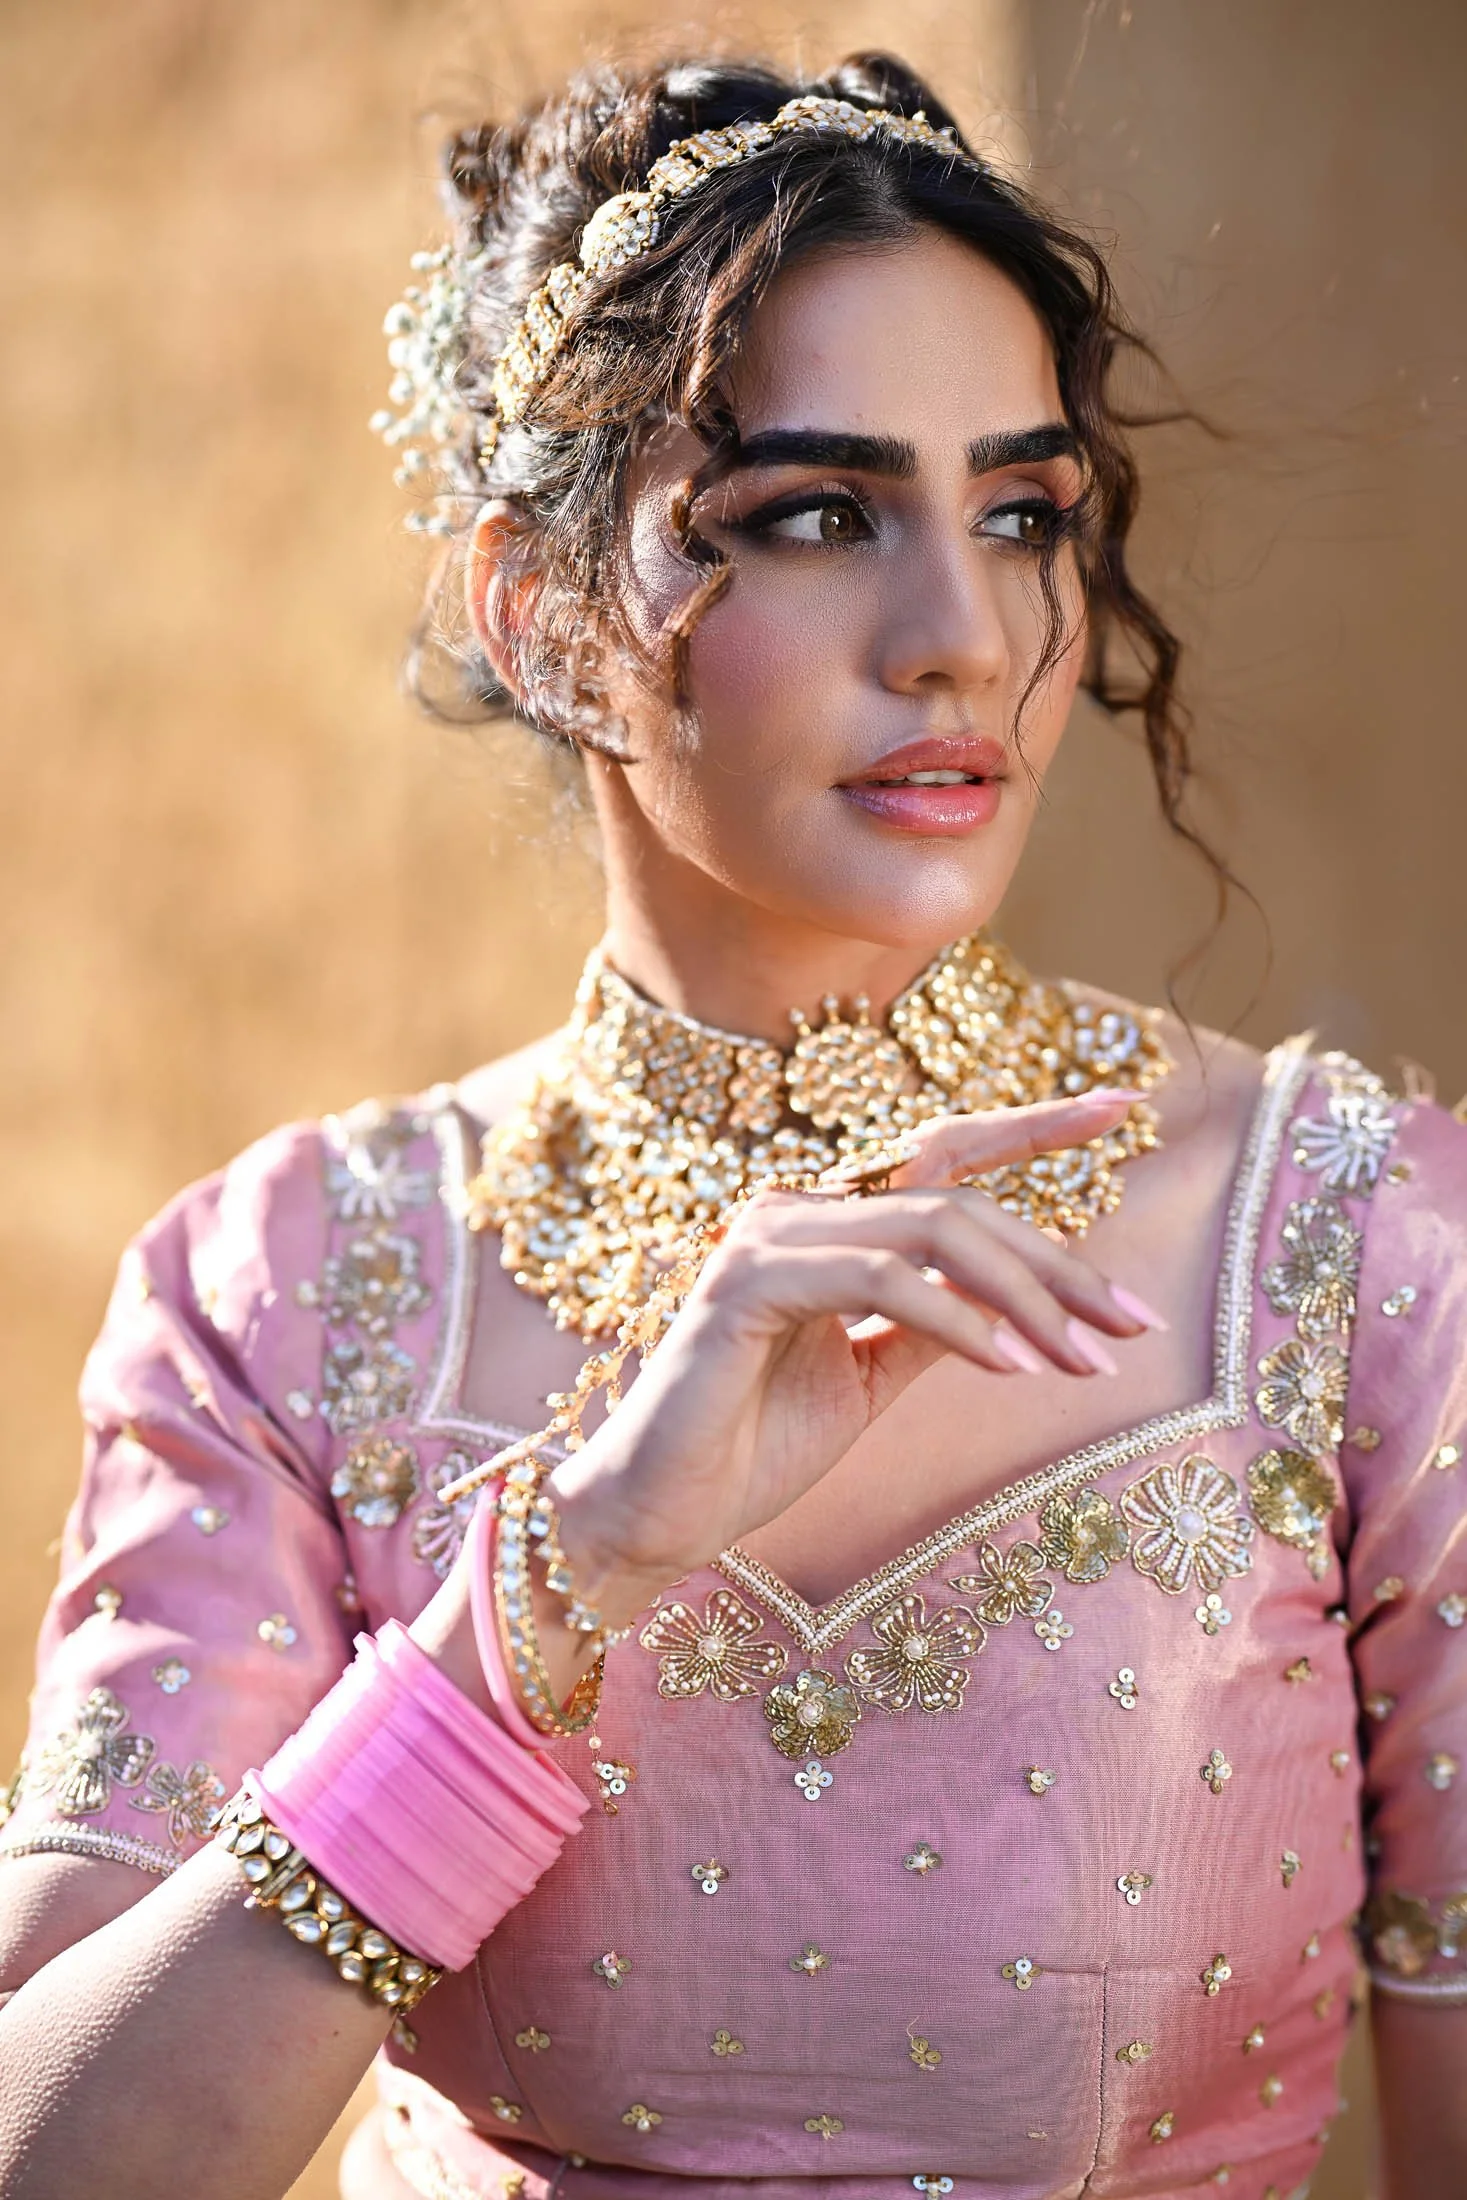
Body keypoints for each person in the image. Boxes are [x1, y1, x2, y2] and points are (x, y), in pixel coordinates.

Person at [0, 47, 1461, 2200]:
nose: (961, 639)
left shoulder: (1344, 1243)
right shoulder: (290, 1286)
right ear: (549, 615)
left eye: (1024, 513)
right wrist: (563, 1571)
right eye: (815, 514)